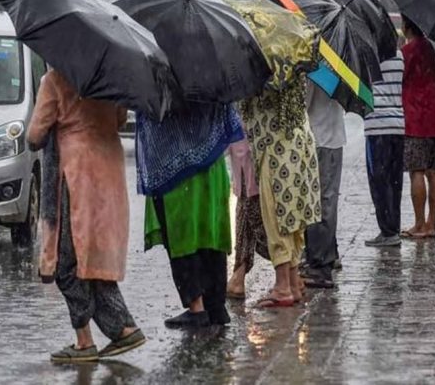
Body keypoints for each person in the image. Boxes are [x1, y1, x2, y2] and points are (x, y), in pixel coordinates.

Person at [28, 69, 145, 363]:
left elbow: (34, 135)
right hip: (107, 169)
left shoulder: (54, 80)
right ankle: (123, 328)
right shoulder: (110, 79)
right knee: (95, 259)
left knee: (67, 260)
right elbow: (119, 120)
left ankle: (84, 341)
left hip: (74, 172)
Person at [138, 103, 243, 328]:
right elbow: (229, 119)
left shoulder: (162, 75)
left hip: (175, 170)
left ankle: (197, 306)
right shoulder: (213, 74)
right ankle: (216, 305)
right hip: (212, 166)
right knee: (210, 232)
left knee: (182, 237)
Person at [240, 76, 322, 306]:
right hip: (298, 140)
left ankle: (282, 285)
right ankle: (293, 282)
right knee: (293, 215)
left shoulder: (265, 64)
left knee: (277, 215)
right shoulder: (293, 53)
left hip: (276, 145)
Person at [400, 15, 435, 240]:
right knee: (433, 172)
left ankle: (419, 224)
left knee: (416, 172)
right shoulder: (430, 48)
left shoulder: (407, 53)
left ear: (406, 26)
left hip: (416, 121)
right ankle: (431, 224)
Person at [303, 82, 346, 288]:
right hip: (333, 137)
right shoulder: (339, 66)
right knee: (327, 200)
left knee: (319, 203)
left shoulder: (317, 70)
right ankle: (328, 253)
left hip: (319, 138)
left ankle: (320, 264)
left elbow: (303, 104)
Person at [364, 50, 406, 247]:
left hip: (376, 126)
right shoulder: (399, 57)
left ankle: (387, 231)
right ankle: (393, 228)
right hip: (398, 125)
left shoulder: (367, 55)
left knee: (379, 182)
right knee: (395, 181)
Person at [226, 136, 269, 300]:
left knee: (254, 216)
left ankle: (289, 270)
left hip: (251, 151)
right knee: (245, 215)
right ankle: (239, 274)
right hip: (244, 150)